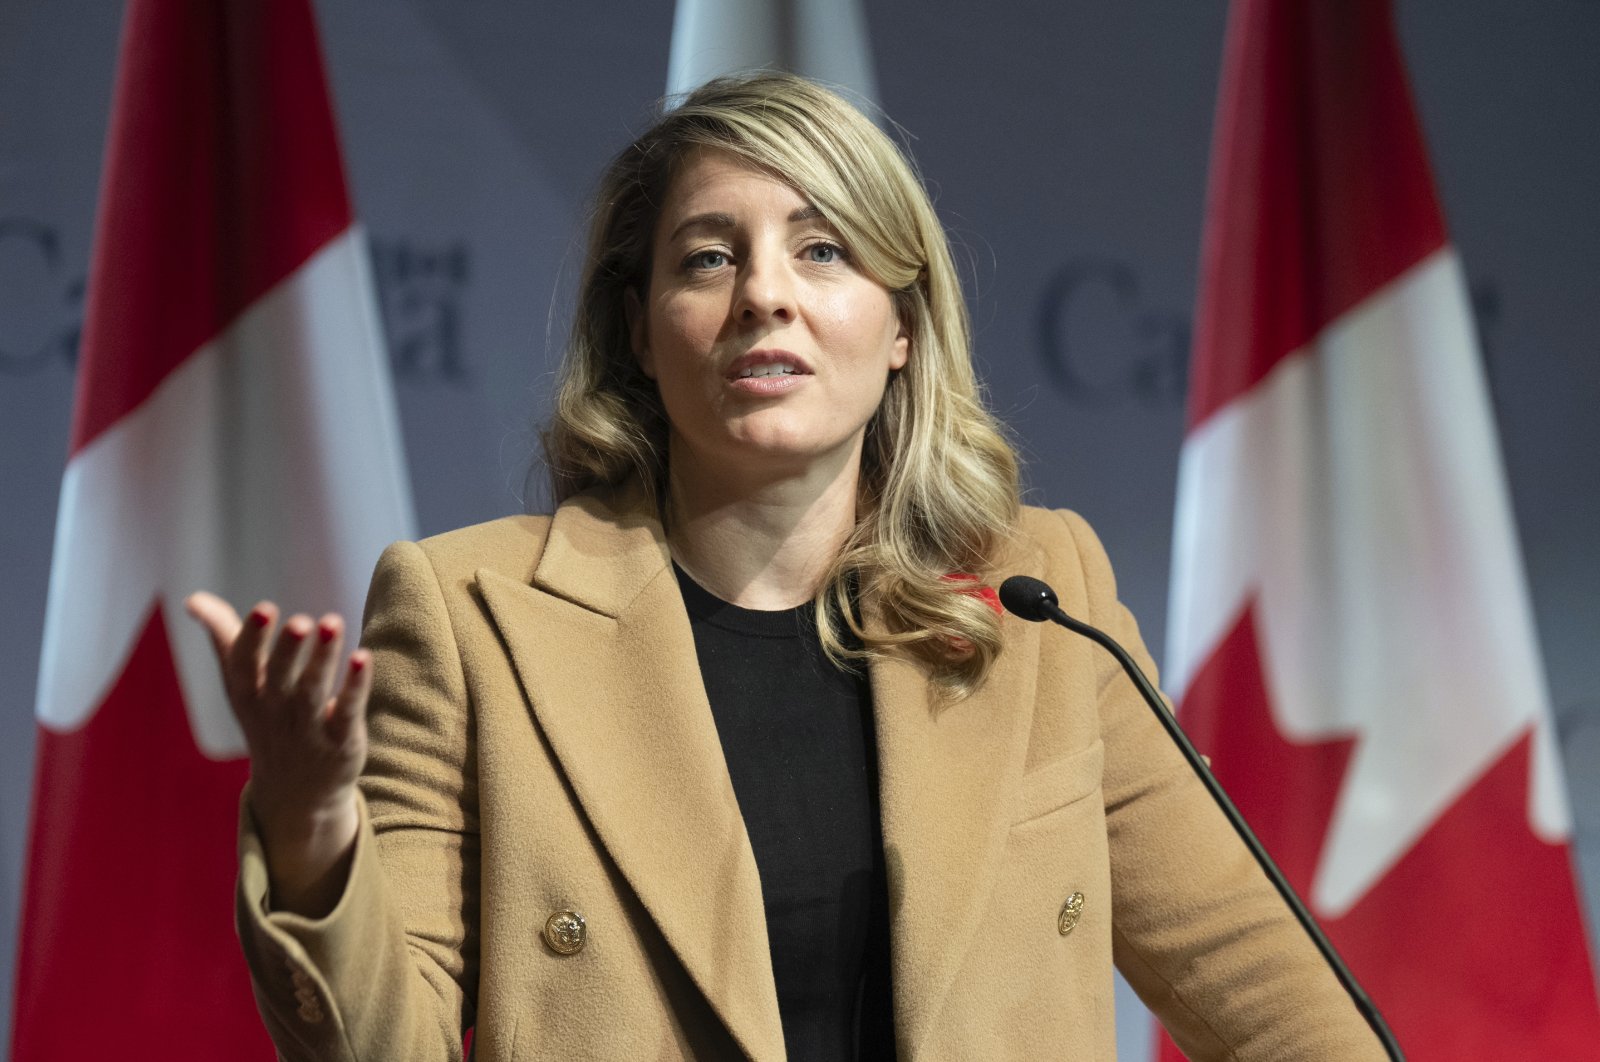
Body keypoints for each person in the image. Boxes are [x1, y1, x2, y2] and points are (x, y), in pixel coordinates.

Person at [187, 72, 1385, 1061]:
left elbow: (1276, 999)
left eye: (822, 251)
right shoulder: (471, 618)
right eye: (708, 259)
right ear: (641, 333)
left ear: (903, 325)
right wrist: (314, 825)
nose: (765, 294)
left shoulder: (1039, 594)